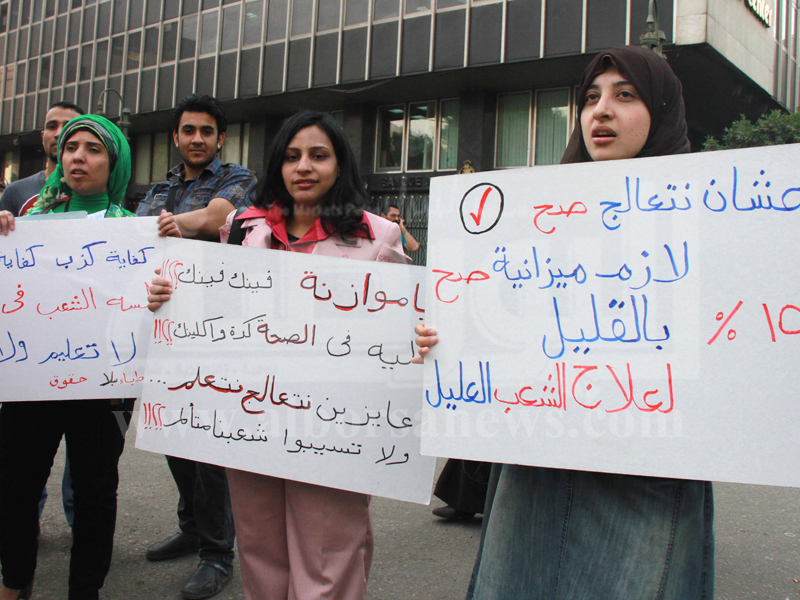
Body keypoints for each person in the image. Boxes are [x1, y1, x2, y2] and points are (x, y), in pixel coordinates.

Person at [414, 46, 714, 600]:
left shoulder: (708, 216)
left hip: (646, 464)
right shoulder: (535, 215)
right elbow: (493, 319)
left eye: (626, 95)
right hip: (538, 462)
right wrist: (444, 338)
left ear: (663, 109)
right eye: (591, 97)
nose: (602, 110)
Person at [147, 111, 410, 599]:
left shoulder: (378, 237)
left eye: (318, 155)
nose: (303, 167)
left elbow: (400, 333)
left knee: (326, 562)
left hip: (332, 429)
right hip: (251, 421)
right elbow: (214, 310)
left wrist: (421, 337)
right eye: (291, 156)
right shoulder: (241, 228)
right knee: (260, 553)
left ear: (340, 164)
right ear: (277, 166)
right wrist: (169, 296)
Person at [0, 115, 137, 600]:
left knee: (95, 494)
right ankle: (15, 582)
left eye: (93, 149)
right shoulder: (27, 219)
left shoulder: (135, 231)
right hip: (31, 382)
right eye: (71, 146)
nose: (78, 156)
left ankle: (85, 590)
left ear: (114, 163)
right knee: (14, 488)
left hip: (103, 388)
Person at [137, 94, 253, 600]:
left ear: (220, 138)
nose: (197, 138)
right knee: (173, 435)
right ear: (177, 136)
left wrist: (169, 227)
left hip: (216, 329)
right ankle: (192, 528)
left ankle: (217, 552)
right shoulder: (160, 189)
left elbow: (215, 219)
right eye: (189, 130)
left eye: (207, 131)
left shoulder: (236, 178)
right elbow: (132, 242)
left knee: (208, 445)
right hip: (165, 329)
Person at [0, 100, 84, 531]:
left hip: (83, 338)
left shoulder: (97, 191)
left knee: (85, 454)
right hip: (31, 339)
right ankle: (24, 522)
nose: (60, 133)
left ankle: (78, 520)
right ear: (44, 136)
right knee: (26, 451)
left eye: (70, 127)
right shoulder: (18, 193)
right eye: (53, 126)